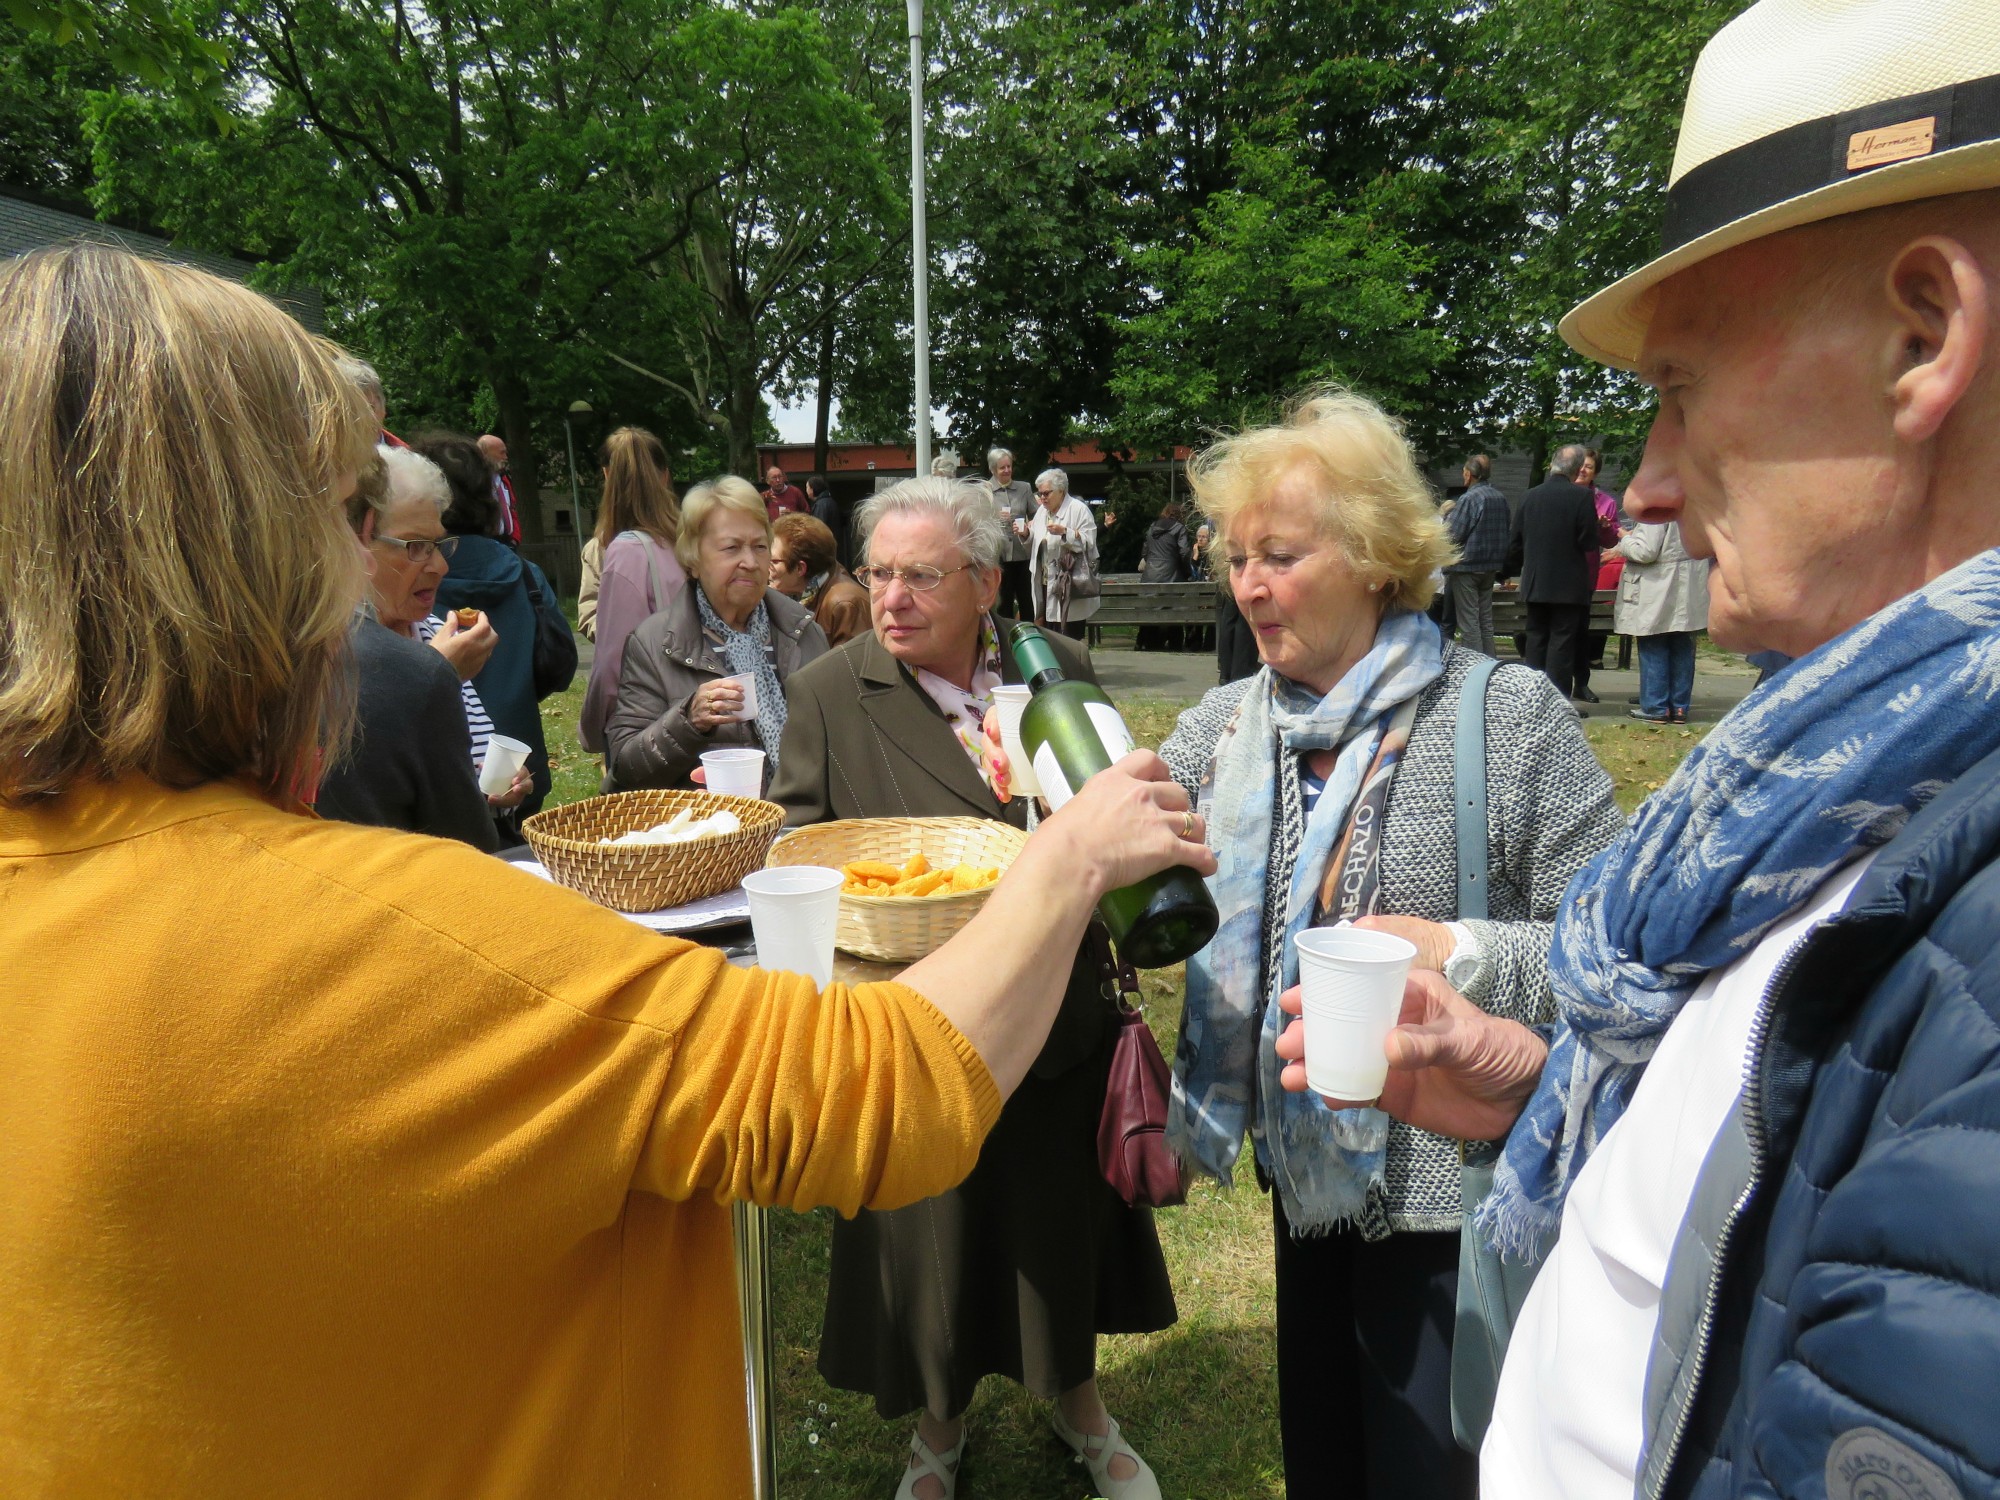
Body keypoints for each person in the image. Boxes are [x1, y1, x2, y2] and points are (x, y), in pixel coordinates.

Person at [0, 240, 1216, 1498]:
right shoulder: (415, 935)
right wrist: (1072, 857)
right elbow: (876, 1098)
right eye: (349, 518)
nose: (391, 567)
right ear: (258, 562)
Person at [1271, 6, 2000, 1498]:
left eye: (1677, 386)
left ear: (1925, 334)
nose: (1648, 488)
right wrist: (1534, 1084)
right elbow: (1759, 1194)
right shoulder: (1862, 784)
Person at [1151, 388, 1621, 1500]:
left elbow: (1616, 951)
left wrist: (1458, 953)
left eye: (1279, 555)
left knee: (1435, 1468)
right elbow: (1124, 867)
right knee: (1324, 1454)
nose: (1248, 586)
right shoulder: (1225, 725)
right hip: (1300, 1171)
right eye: (1236, 558)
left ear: (1371, 556)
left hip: (1453, 1192)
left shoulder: (1504, 716)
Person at [773, 477, 1177, 1500]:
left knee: (1053, 1223)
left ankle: (1079, 1408)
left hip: (1052, 1007)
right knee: (936, 1234)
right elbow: (797, 844)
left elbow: (1105, 810)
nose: (890, 598)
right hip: (920, 1019)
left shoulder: (1058, 669)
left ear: (985, 583)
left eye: (919, 576)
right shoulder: (830, 690)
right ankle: (939, 1431)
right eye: (877, 575)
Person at [313, 452, 502, 852]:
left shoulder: (436, 632)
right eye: (415, 546)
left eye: (438, 544)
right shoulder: (320, 658)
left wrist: (499, 786)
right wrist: (428, 677)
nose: (439, 567)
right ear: (356, 539)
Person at [604, 476, 827, 791]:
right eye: (731, 548)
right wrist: (688, 721)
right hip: (711, 831)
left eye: (760, 546)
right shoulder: (655, 643)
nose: (749, 562)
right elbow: (626, 769)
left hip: (802, 830)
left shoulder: (804, 632)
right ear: (693, 559)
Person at [417, 431, 573, 819]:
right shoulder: (524, 574)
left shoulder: (411, 578)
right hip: (521, 767)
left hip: (441, 779)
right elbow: (562, 666)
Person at [579, 427, 685, 755]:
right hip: (692, 714)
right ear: (665, 477)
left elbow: (614, 660)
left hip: (642, 723)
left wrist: (593, 729)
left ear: (607, 475)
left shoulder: (622, 551)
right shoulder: (693, 544)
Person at [1502, 445, 1600, 710]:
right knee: (1562, 643)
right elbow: (1589, 541)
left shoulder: (1529, 496)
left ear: (1552, 465)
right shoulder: (1581, 498)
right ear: (1577, 469)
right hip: (1569, 586)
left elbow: (1515, 543)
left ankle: (1530, 700)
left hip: (1536, 582)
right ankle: (1555, 704)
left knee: (1536, 639)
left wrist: (1507, 572)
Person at [1616, 521, 1707, 725]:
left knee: (1653, 643)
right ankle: (1679, 706)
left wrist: (1625, 538)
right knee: (1682, 646)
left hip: (1657, 585)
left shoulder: (1656, 511)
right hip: (1688, 584)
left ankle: (1655, 707)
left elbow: (1645, 552)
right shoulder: (1692, 503)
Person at [1569, 449, 1624, 702]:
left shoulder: (1605, 502)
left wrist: (1603, 527)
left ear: (1596, 472)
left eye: (1589, 467)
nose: (1583, 470)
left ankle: (1581, 683)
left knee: (1581, 631)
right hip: (1557, 569)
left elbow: (1612, 539)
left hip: (1585, 571)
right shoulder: (1561, 495)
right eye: (1579, 465)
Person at [770, 511, 869, 647]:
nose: (766, 567)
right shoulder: (810, 592)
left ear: (800, 569)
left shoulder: (844, 603)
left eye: (774, 561)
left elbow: (847, 666)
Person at [1443, 455, 1509, 657]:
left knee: (1469, 622)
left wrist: (1446, 517)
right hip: (1490, 566)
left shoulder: (1469, 498)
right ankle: (1490, 663)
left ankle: (1475, 668)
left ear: (1469, 474)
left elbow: (1452, 534)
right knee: (1485, 621)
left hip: (1466, 568)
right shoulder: (1500, 497)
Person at [1028, 467, 1100, 640]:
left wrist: (1064, 532)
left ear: (1061, 490)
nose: (1043, 498)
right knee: (1050, 633)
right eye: (1040, 494)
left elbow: (1089, 542)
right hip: (1047, 581)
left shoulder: (1078, 509)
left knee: (1069, 635)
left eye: (1047, 493)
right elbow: (1037, 541)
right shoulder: (1042, 512)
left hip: (1070, 582)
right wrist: (1025, 534)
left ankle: (1073, 667)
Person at [1136, 500, 1193, 651]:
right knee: (1174, 606)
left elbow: (1145, 552)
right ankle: (1175, 643)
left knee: (1151, 607)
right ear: (1180, 515)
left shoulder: (1152, 528)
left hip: (1149, 578)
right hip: (1172, 576)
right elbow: (1185, 552)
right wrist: (1187, 572)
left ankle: (1148, 641)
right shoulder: (1179, 529)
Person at [986, 447, 1036, 620]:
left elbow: (1036, 514)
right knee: (1003, 604)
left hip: (1023, 554)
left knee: (1027, 603)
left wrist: (1028, 527)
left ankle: (1030, 641)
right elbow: (978, 522)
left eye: (1009, 466)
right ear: (993, 470)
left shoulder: (1024, 488)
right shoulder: (984, 491)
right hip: (998, 556)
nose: (1007, 470)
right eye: (1002, 468)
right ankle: (1004, 643)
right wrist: (994, 518)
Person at [476, 433, 523, 547]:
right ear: (484, 454)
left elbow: (512, 509)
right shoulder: (475, 481)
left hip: (508, 542)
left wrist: (515, 538)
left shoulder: (503, 479)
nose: (505, 457)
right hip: (486, 542)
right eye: (501, 452)